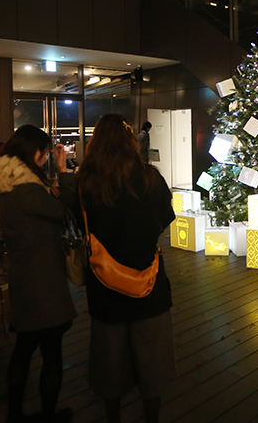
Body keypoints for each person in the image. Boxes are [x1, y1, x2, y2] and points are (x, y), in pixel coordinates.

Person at [73, 114, 176, 423]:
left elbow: (80, 225)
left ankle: (113, 417)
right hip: (149, 281)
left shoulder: (86, 182)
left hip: (104, 285)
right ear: (131, 141)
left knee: (109, 361)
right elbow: (165, 218)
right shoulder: (150, 178)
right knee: (153, 358)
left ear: (96, 142)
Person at [0, 125, 76, 423]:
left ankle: (15, 415)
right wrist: (64, 171)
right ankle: (48, 416)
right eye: (45, 152)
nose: (46, 157)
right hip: (43, 278)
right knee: (51, 352)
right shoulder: (26, 189)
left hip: (23, 274)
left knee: (23, 350)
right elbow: (64, 211)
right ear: (35, 152)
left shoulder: (8, 182)